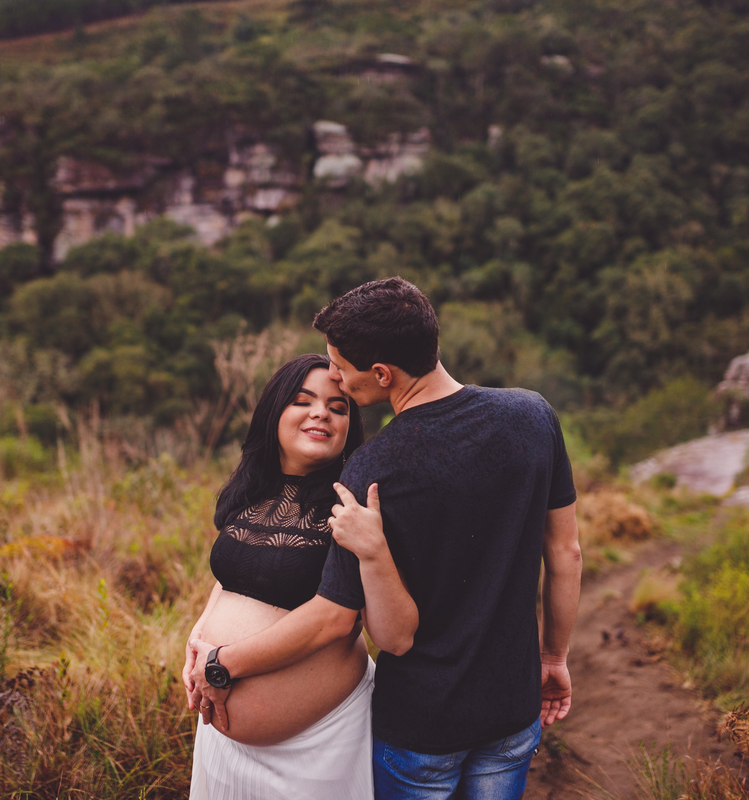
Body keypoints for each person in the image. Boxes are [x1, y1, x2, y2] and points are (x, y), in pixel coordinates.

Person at [191, 277, 582, 800]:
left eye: (339, 369)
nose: (335, 377)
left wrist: (223, 663)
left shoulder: (373, 471)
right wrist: (554, 658)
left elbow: (380, 630)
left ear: (380, 373)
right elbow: (566, 553)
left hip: (421, 722)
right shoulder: (534, 415)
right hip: (510, 708)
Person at [182, 353, 414, 800]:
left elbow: (338, 619)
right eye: (302, 401)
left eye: (338, 406)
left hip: (319, 745)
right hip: (222, 738)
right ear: (274, 413)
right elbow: (231, 579)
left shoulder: (355, 504)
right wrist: (199, 644)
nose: (321, 413)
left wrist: (222, 664)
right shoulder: (249, 492)